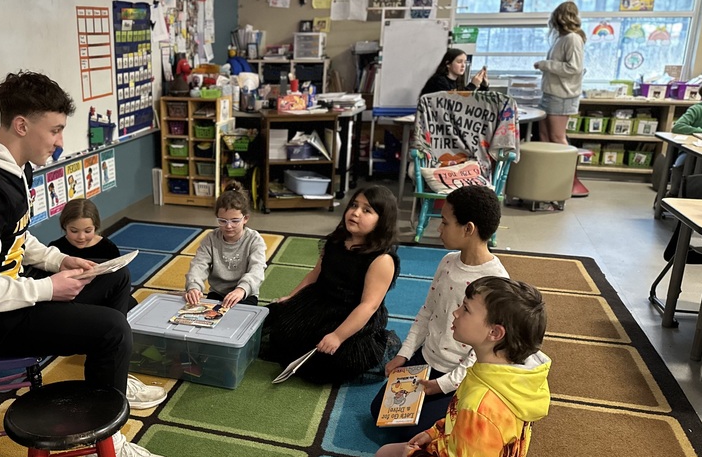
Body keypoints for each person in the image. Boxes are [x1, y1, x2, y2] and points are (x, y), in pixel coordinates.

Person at [0, 70, 174, 457]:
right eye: (56, 130)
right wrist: (46, 289)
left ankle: (109, 383)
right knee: (112, 330)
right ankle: (106, 451)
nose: (60, 141)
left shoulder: (9, 168)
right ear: (22, 125)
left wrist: (57, 261)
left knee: (113, 279)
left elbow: (14, 241)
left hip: (12, 298)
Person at [361, 277, 551, 457]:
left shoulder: (484, 405)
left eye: (466, 309)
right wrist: (432, 433)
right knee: (383, 456)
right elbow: (456, 420)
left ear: (495, 333)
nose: (456, 313)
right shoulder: (500, 371)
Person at [370, 185, 509, 438]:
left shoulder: (496, 282)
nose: (439, 229)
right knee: (380, 412)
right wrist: (404, 354)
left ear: (468, 229)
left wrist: (442, 385)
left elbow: (483, 352)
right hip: (426, 360)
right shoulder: (446, 262)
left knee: (415, 433)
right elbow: (427, 313)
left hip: (460, 375)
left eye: (444, 222)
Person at [262, 185, 401, 385]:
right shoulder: (336, 241)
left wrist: (338, 336)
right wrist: (292, 298)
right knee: (280, 330)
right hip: (320, 302)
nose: (355, 213)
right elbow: (314, 276)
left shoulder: (381, 259)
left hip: (352, 314)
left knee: (330, 359)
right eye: (354, 205)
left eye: (367, 210)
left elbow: (368, 306)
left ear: (382, 221)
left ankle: (383, 347)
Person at [184, 181, 267, 308]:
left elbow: (257, 270)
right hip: (218, 293)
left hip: (245, 293)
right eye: (222, 221)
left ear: (245, 218)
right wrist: (194, 287)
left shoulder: (254, 240)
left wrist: (241, 290)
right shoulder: (211, 239)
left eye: (235, 221)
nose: (228, 226)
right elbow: (198, 265)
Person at [534, 1, 587, 197]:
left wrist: (545, 65)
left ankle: (566, 179)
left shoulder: (573, 39)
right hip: (551, 93)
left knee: (557, 138)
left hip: (562, 95)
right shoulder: (562, 39)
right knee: (545, 138)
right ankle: (550, 177)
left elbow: (574, 68)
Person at [51, 198, 137, 311]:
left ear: (95, 227)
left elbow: (117, 279)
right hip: (72, 297)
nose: (81, 237)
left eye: (87, 231)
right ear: (64, 227)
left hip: (103, 294)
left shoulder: (107, 247)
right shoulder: (55, 249)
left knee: (131, 302)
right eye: (74, 231)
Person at [419, 48, 488, 98]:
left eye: (465, 62)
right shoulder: (439, 80)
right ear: (448, 64)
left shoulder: (458, 81)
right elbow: (455, 102)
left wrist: (484, 86)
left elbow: (472, 102)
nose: (463, 65)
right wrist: (473, 85)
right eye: (459, 62)